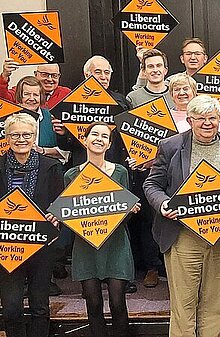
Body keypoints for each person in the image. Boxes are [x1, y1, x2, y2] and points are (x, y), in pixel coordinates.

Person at [144, 94, 220, 337]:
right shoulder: (170, 146)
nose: (207, 123)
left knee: (216, 302)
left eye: (212, 118)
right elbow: (152, 185)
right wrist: (163, 204)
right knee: (184, 303)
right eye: (201, 119)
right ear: (189, 120)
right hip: (183, 235)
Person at [65, 122, 140, 337]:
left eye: (104, 136)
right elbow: (70, 211)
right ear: (85, 140)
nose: (99, 139)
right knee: (93, 303)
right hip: (85, 245)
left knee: (118, 302)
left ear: (109, 144)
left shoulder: (120, 172)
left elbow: (124, 209)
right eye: (94, 134)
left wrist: (130, 209)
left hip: (116, 244)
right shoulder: (71, 175)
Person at [0, 113, 63, 337]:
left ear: (34, 136)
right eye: (15, 134)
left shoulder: (51, 166)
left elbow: (60, 203)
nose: (21, 139)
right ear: (7, 137)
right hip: (8, 246)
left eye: (26, 134)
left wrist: (55, 216)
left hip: (41, 245)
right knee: (11, 307)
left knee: (39, 306)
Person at [126, 48, 172, 289]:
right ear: (143, 71)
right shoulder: (134, 98)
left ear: (166, 70)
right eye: (150, 67)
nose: (155, 70)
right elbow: (132, 133)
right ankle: (152, 266)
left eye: (159, 66)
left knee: (169, 214)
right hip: (144, 167)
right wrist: (137, 158)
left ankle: (168, 262)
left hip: (172, 167)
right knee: (146, 218)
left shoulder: (175, 95)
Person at [133, 38, 208, 90]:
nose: (193, 57)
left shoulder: (215, 82)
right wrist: (144, 61)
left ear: (205, 58)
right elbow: (140, 92)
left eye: (197, 54)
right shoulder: (172, 81)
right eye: (188, 54)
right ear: (182, 58)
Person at [0, 61, 70, 109]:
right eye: (44, 74)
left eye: (54, 75)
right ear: (35, 74)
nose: (49, 79)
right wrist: (4, 75)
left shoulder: (66, 94)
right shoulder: (23, 89)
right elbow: (3, 98)